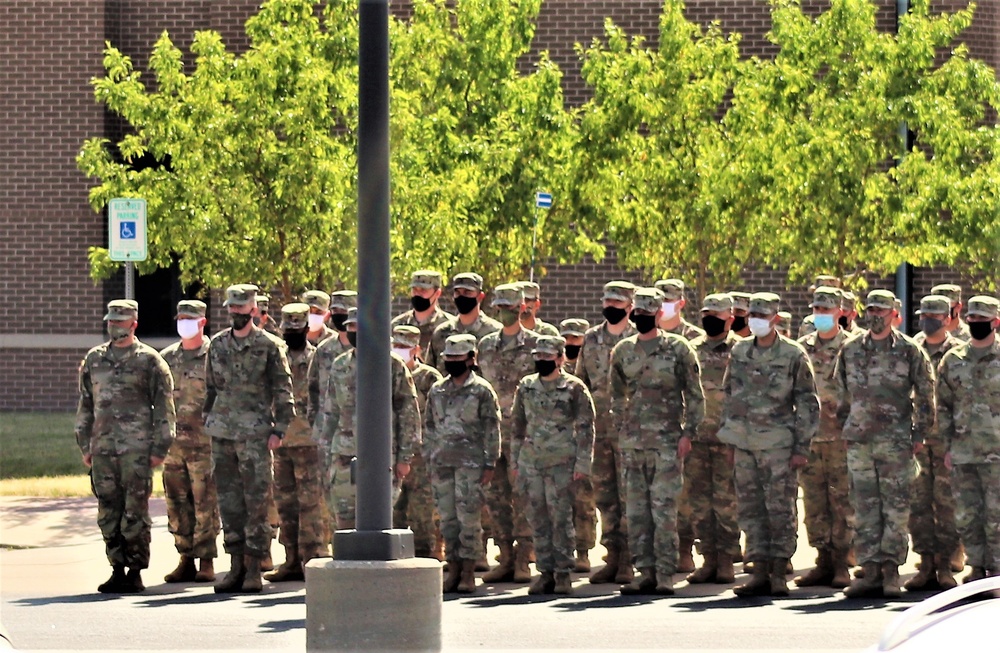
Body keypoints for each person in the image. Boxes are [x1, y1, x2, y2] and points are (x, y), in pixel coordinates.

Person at [717, 292, 819, 597]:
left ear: (775, 318)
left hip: (779, 446)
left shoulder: (793, 354)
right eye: (753, 316)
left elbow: (808, 402)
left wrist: (802, 446)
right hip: (745, 444)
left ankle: (778, 571)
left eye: (763, 316)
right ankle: (758, 569)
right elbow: (729, 394)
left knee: (780, 510)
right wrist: (729, 438)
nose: (757, 320)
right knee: (750, 509)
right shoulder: (740, 352)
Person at [836, 289, 934, 599]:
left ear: (895, 314)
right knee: (865, 508)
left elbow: (925, 395)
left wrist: (918, 435)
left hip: (896, 444)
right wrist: (848, 429)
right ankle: (870, 571)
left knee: (895, 509)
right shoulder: (850, 350)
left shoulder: (909, 350)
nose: (875, 314)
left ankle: (891, 571)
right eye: (871, 309)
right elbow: (841, 396)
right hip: (861, 443)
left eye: (882, 310)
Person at [76, 299, 176, 593]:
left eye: (120, 322)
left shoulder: (150, 361)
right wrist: (85, 444)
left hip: (137, 450)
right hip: (103, 450)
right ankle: (116, 567)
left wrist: (160, 447)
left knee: (135, 512)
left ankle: (135, 570)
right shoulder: (94, 360)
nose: (114, 327)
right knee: (108, 511)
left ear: (133, 324)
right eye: (111, 322)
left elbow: (165, 409)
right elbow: (86, 405)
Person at [612, 287, 705, 595]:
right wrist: (619, 430)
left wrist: (688, 433)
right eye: (637, 313)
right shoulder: (623, 351)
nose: (641, 318)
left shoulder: (678, 349)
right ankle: (645, 571)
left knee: (663, 509)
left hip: (666, 442)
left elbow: (694, 395)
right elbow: (615, 396)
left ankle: (665, 572)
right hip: (633, 443)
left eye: (647, 314)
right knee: (637, 512)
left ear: (657, 314)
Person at [204, 284, 295, 593]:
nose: (236, 313)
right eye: (232, 308)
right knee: (229, 502)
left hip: (255, 435)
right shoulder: (217, 345)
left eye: (242, 309)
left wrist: (279, 428)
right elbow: (210, 389)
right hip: (223, 434)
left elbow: (283, 390)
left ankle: (255, 565)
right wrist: (210, 421)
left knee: (256, 501)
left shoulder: (269, 346)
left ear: (254, 311)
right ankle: (235, 566)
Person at [321, 308, 420, 532]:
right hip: (344, 454)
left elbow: (408, 412)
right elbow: (330, 411)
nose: (353, 331)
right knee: (345, 520)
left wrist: (405, 457)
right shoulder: (339, 365)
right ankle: (348, 566)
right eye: (350, 327)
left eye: (358, 326)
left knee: (378, 519)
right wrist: (326, 453)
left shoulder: (392, 365)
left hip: (382, 456)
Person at [511, 335, 596, 595]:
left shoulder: (574, 387)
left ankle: (563, 573)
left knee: (560, 519)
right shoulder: (526, 386)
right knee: (537, 518)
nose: (542, 361)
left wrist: (583, 463)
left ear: (560, 358)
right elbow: (517, 426)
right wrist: (516, 461)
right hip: (532, 463)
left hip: (562, 463)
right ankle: (545, 572)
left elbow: (586, 428)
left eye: (548, 357)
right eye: (538, 356)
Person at [425, 334, 502, 593]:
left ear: (471, 359)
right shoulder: (437, 390)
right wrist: (429, 457)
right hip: (442, 463)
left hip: (471, 464)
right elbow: (429, 426)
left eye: (458, 358)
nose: (452, 362)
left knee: (468, 518)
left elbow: (492, 428)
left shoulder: (481, 390)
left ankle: (469, 571)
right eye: (449, 358)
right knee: (447, 519)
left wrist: (490, 462)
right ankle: (453, 568)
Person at [575, 281, 637, 585]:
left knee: (629, 496)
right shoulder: (591, 339)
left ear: (630, 307)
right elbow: (580, 382)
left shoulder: (638, 339)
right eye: (607, 301)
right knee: (605, 496)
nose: (610, 307)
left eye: (617, 303)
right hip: (598, 430)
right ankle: (612, 556)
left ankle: (628, 560)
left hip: (630, 431)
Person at [477, 283, 539, 584]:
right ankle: (504, 554)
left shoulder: (537, 345)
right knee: (496, 497)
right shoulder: (486, 345)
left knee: (523, 495)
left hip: (523, 433)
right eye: (500, 308)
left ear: (522, 308)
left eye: (511, 308)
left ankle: (525, 556)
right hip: (491, 433)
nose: (505, 313)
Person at [937, 295, 1000, 583]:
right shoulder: (953, 359)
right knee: (968, 515)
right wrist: (948, 445)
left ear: (995, 322)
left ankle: (997, 570)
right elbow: (944, 405)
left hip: (996, 453)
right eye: (972, 318)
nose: (975, 323)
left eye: (982, 319)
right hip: (963, 452)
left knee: (996, 514)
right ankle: (976, 567)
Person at [794, 287, 853, 589]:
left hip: (842, 439)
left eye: (826, 310)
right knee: (815, 502)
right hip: (811, 438)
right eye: (816, 309)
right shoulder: (801, 347)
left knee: (841, 500)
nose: (820, 315)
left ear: (840, 312)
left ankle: (842, 563)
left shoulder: (853, 347)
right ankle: (822, 559)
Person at [266, 303, 328, 582]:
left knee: (311, 504)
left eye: (297, 329)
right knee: (285, 503)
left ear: (307, 329)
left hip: (310, 443)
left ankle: (313, 559)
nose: (292, 334)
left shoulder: (318, 359)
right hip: (281, 443)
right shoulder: (275, 358)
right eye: (287, 329)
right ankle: (290, 559)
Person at [160, 299, 220, 584]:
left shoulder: (215, 356)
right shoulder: (167, 357)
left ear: (202, 322)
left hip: (204, 444)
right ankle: (185, 557)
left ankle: (206, 559)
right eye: (180, 317)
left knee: (205, 502)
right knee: (176, 502)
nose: (184, 322)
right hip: (173, 446)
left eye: (190, 318)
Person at [905, 295, 963, 591]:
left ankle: (946, 566)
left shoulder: (957, 353)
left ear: (947, 318)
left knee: (947, 504)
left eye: (934, 315)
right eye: (924, 314)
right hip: (917, 439)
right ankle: (926, 563)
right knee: (918, 504)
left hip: (946, 440)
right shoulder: (911, 350)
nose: (927, 319)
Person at [685, 293, 741, 585]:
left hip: (728, 439)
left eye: (717, 316)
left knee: (726, 502)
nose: (710, 320)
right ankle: (707, 557)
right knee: (699, 502)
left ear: (730, 319)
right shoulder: (690, 349)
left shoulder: (742, 351)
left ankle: (727, 560)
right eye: (706, 314)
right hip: (697, 438)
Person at [391, 324, 445, 559]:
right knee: (394, 512)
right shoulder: (388, 374)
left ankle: (426, 557)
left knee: (423, 513)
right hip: (393, 453)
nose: (400, 351)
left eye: (405, 346)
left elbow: (439, 416)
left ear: (417, 349)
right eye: (396, 345)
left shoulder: (430, 377)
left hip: (422, 457)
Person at [306, 288, 356, 534]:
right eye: (334, 311)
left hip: (360, 439)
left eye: (343, 312)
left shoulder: (374, 350)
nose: (338, 316)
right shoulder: (324, 350)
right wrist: (318, 426)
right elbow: (313, 390)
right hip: (330, 438)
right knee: (331, 496)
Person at [559, 317, 596, 571]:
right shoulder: (554, 368)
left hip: (582, 440)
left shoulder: (589, 367)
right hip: (559, 442)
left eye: (577, 340)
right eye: (567, 339)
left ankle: (583, 551)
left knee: (584, 499)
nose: (572, 344)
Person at [426, 272, 503, 372]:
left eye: (467, 292)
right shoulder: (441, 333)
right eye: (457, 292)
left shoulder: (495, 333)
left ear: (480, 296)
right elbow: (430, 374)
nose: (461, 297)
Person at [392, 270, 455, 352]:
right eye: (414, 290)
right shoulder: (397, 325)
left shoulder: (449, 326)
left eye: (423, 290)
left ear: (437, 293)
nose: (417, 294)